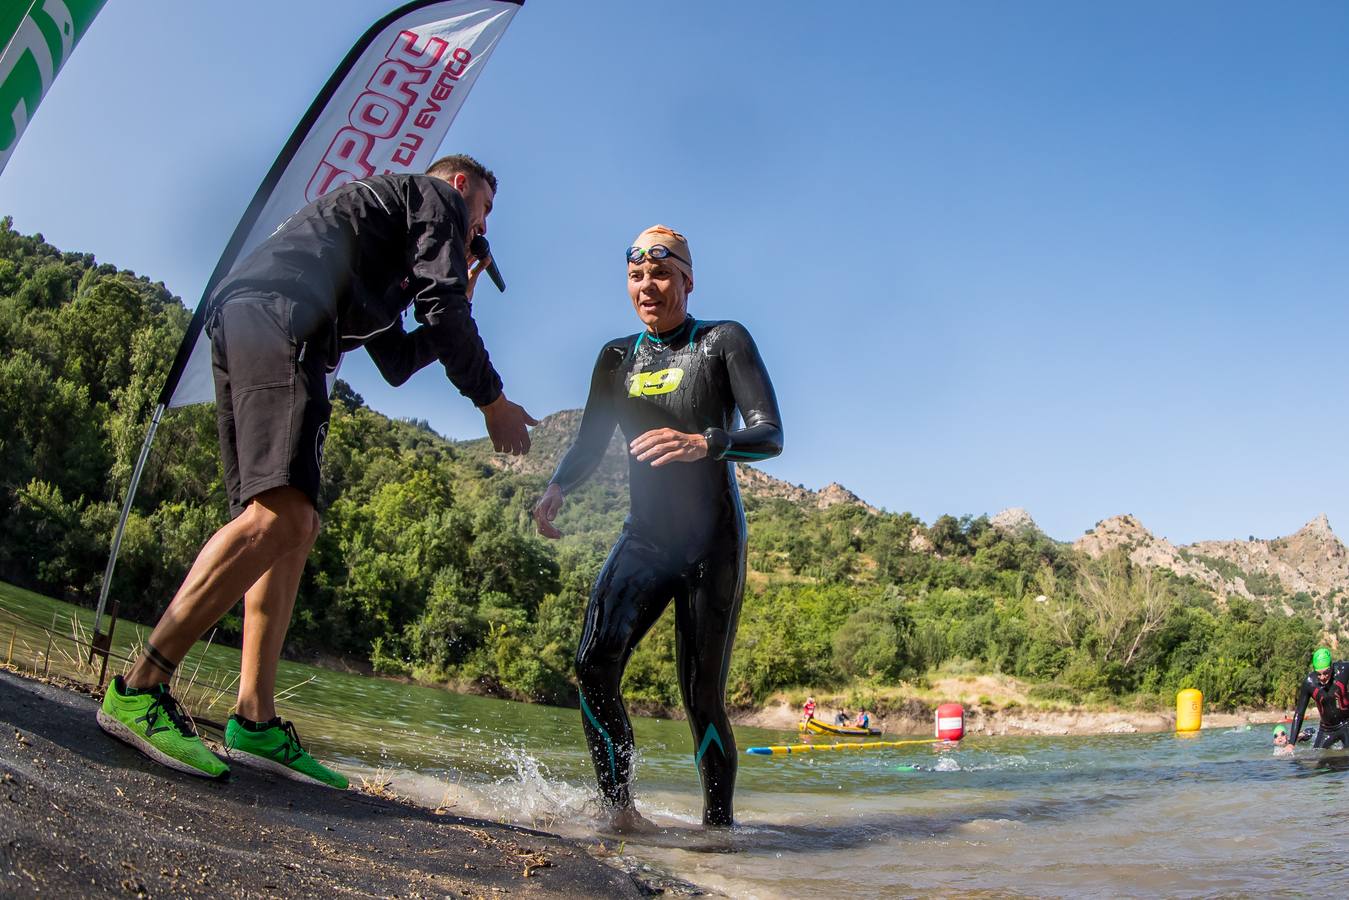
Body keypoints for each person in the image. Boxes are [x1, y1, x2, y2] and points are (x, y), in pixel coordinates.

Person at [97, 154, 536, 786]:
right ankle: (140, 687)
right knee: (284, 515)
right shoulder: (438, 197)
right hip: (282, 315)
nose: (479, 230)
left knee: (287, 526)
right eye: (485, 212)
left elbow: (399, 359)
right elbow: (444, 313)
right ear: (463, 186)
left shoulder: (394, 255)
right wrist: (493, 402)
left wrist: (455, 293)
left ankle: (254, 719)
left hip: (259, 317)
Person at [531, 225, 783, 830]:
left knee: (700, 696)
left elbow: (770, 434)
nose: (649, 285)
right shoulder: (615, 358)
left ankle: (717, 830)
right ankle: (619, 812)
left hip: (711, 542)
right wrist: (559, 486)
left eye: (662, 273)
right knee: (594, 664)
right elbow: (591, 442)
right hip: (645, 537)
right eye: (637, 275)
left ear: (688, 281)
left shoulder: (723, 342)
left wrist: (706, 442)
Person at [1287, 647, 1349, 750]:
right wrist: (1291, 743)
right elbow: (1299, 713)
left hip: (1347, 723)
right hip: (1327, 729)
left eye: (1326, 672)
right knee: (1318, 760)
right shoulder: (1309, 683)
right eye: (1319, 674)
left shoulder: (1343, 670)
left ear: (1332, 666)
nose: (1323, 677)